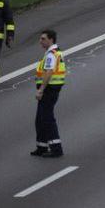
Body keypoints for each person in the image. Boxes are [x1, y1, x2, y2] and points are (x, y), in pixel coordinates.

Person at [31, 29, 65, 158]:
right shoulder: (55, 53)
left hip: (49, 89)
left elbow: (49, 72)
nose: (40, 41)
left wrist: (41, 90)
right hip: (51, 88)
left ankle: (56, 148)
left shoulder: (51, 54)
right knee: (40, 119)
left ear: (51, 39)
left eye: (43, 39)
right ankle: (42, 146)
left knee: (47, 118)